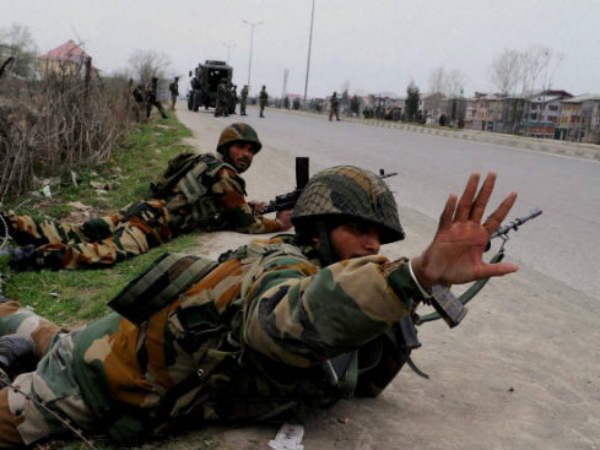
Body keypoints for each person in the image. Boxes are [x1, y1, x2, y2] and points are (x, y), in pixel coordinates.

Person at [0, 166, 518, 448]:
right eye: (357, 229)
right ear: (317, 230)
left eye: (378, 236)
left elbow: (362, 384)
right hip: (87, 382)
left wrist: (401, 302)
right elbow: (281, 322)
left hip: (101, 338)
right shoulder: (281, 267)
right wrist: (412, 276)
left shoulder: (328, 272)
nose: (371, 245)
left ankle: (21, 331)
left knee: (39, 330)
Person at [2, 124, 292, 270]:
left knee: (79, 231)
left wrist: (248, 206)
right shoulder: (225, 175)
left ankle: (11, 222)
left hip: (142, 210)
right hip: (151, 224)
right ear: (226, 147)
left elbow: (216, 208)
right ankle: (26, 258)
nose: (246, 155)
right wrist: (279, 224)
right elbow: (246, 224)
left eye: (251, 151)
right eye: (241, 147)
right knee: (105, 253)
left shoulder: (207, 163)